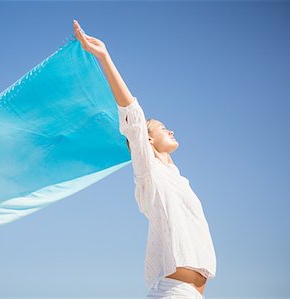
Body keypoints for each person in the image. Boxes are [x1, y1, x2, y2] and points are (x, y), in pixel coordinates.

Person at [73, 19, 216, 299]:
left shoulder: (176, 177)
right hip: (173, 292)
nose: (170, 129)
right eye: (162, 128)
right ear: (147, 140)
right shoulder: (149, 174)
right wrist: (104, 57)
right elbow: (133, 119)